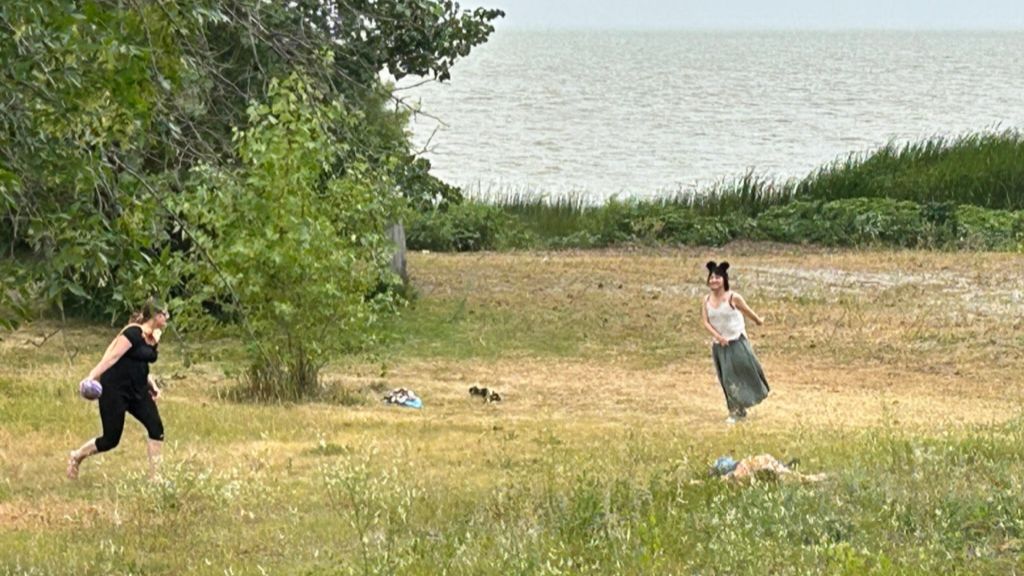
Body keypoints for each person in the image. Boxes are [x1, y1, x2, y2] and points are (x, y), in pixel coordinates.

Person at [67, 298, 169, 480]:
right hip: (115, 390)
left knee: (156, 428)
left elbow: (138, 362)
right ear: (156, 315)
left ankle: (156, 479)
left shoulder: (152, 337)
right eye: (165, 314)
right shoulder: (132, 333)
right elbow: (112, 357)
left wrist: (149, 382)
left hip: (137, 391)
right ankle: (76, 456)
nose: (167, 318)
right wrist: (91, 376)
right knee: (110, 440)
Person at [700, 261, 769, 424]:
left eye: (717, 277)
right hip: (720, 346)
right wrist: (718, 337)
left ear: (724, 279)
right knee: (727, 378)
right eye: (711, 277)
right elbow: (705, 322)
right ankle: (736, 411)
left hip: (736, 342)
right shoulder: (706, 300)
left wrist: (759, 321)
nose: (713, 280)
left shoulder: (733, 298)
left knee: (745, 371)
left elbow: (747, 311)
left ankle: (752, 396)